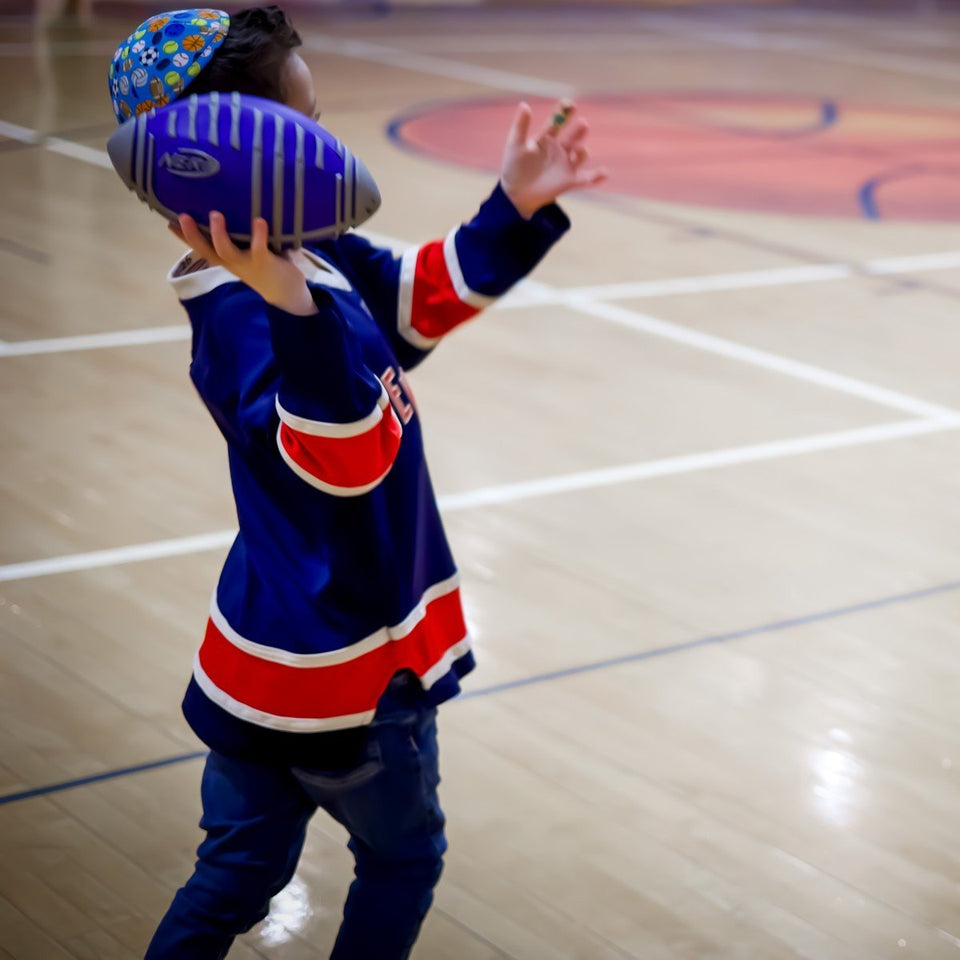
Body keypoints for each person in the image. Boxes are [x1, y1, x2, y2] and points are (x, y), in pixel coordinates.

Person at [108, 6, 606, 959]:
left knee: (237, 877)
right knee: (403, 861)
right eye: (306, 125)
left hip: (262, 662)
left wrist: (514, 206)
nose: (326, 145)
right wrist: (295, 312)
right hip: (349, 681)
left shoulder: (311, 253)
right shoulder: (243, 317)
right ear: (234, 158)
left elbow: (417, 297)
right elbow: (342, 455)